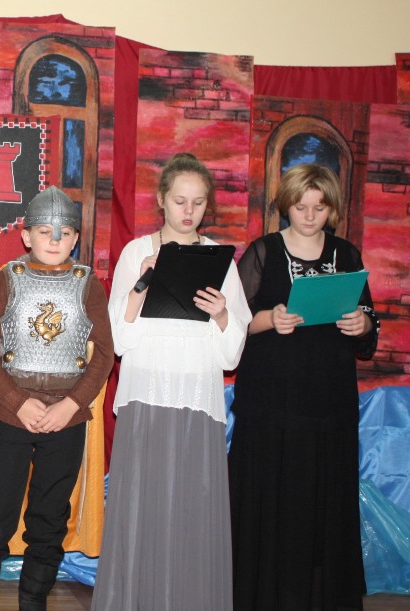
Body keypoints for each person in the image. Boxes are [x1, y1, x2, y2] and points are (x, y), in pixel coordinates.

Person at [91, 153, 251, 611]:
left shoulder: (221, 260)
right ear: (162, 200)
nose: (188, 211)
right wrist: (142, 286)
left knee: (192, 510)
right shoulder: (136, 252)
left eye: (198, 203)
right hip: (146, 395)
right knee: (141, 508)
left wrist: (222, 314)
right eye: (180, 200)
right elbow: (119, 340)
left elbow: (231, 353)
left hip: (198, 399)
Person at [229, 164, 378, 611]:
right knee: (273, 503)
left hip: (329, 409)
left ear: (332, 209)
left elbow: (369, 328)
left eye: (320, 207)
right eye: (300, 206)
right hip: (271, 408)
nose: (310, 216)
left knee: (322, 508)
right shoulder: (263, 252)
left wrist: (362, 323)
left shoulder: (347, 254)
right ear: (285, 206)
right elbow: (234, 325)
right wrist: (270, 318)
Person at [0, 186, 114, 611]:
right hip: (12, 415)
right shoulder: (8, 279)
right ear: (27, 235)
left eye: (64, 233)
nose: (54, 240)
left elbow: (103, 354)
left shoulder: (87, 285)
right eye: (45, 231)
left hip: (66, 418)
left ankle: (33, 604)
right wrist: (15, 400)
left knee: (49, 520)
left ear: (76, 238)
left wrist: (71, 404)